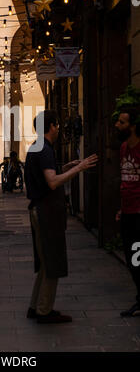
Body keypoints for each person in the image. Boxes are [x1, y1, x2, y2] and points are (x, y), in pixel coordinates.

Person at [24, 110, 98, 324]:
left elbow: (48, 175)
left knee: (47, 263)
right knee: (52, 262)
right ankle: (44, 311)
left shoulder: (37, 147)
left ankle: (35, 306)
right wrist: (80, 168)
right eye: (57, 125)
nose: (58, 129)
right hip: (46, 212)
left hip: (40, 209)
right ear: (52, 126)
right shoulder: (45, 149)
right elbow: (53, 182)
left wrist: (65, 167)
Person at [115, 105, 140, 317]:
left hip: (139, 214)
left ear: (132, 126)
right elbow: (125, 182)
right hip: (128, 213)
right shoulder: (123, 148)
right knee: (132, 258)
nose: (117, 125)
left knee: (137, 259)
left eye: (122, 122)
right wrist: (122, 209)